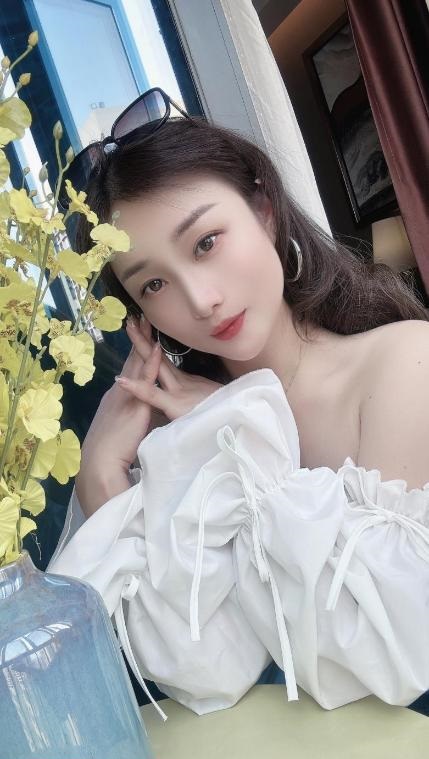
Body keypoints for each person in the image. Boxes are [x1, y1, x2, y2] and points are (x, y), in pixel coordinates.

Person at [50, 89, 429, 716]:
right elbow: (199, 674)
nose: (201, 300)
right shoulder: (177, 436)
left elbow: (390, 649)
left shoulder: (403, 363)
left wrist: (239, 432)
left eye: (205, 242)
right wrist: (101, 480)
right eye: (153, 283)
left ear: (265, 210)